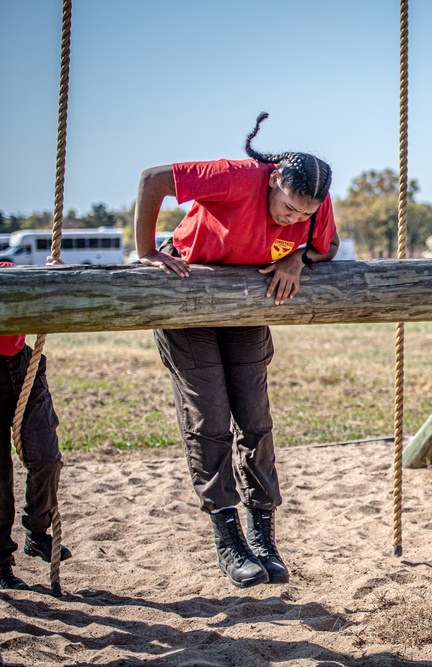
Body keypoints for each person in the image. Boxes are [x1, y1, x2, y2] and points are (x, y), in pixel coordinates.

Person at [133, 112, 340, 588]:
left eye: (304, 213)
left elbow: (324, 246)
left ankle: (263, 534)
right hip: (188, 293)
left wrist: (296, 256)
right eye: (288, 207)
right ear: (272, 181)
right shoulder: (235, 176)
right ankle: (228, 537)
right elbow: (152, 180)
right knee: (209, 418)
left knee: (254, 417)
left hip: (245, 303)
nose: (294, 218)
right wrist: (146, 250)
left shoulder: (312, 206)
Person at [1, 260, 73, 590]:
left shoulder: (8, 268)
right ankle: (1, 563)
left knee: (46, 457)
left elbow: (45, 292)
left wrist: (53, 275)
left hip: (23, 368)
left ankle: (37, 531)